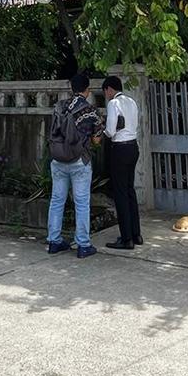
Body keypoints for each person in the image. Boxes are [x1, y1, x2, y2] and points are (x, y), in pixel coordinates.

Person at [47, 73, 104, 259]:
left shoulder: (59, 106)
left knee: (57, 201)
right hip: (79, 161)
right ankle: (83, 245)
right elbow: (96, 141)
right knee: (81, 203)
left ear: (71, 88)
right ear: (87, 90)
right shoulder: (90, 111)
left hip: (58, 159)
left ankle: (54, 241)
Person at [102, 75, 142, 250]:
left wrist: (102, 133)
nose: (106, 96)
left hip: (119, 149)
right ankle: (136, 234)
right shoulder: (131, 102)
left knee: (120, 194)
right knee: (129, 191)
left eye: (105, 92)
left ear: (109, 89)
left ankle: (126, 239)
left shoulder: (113, 103)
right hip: (133, 147)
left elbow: (110, 131)